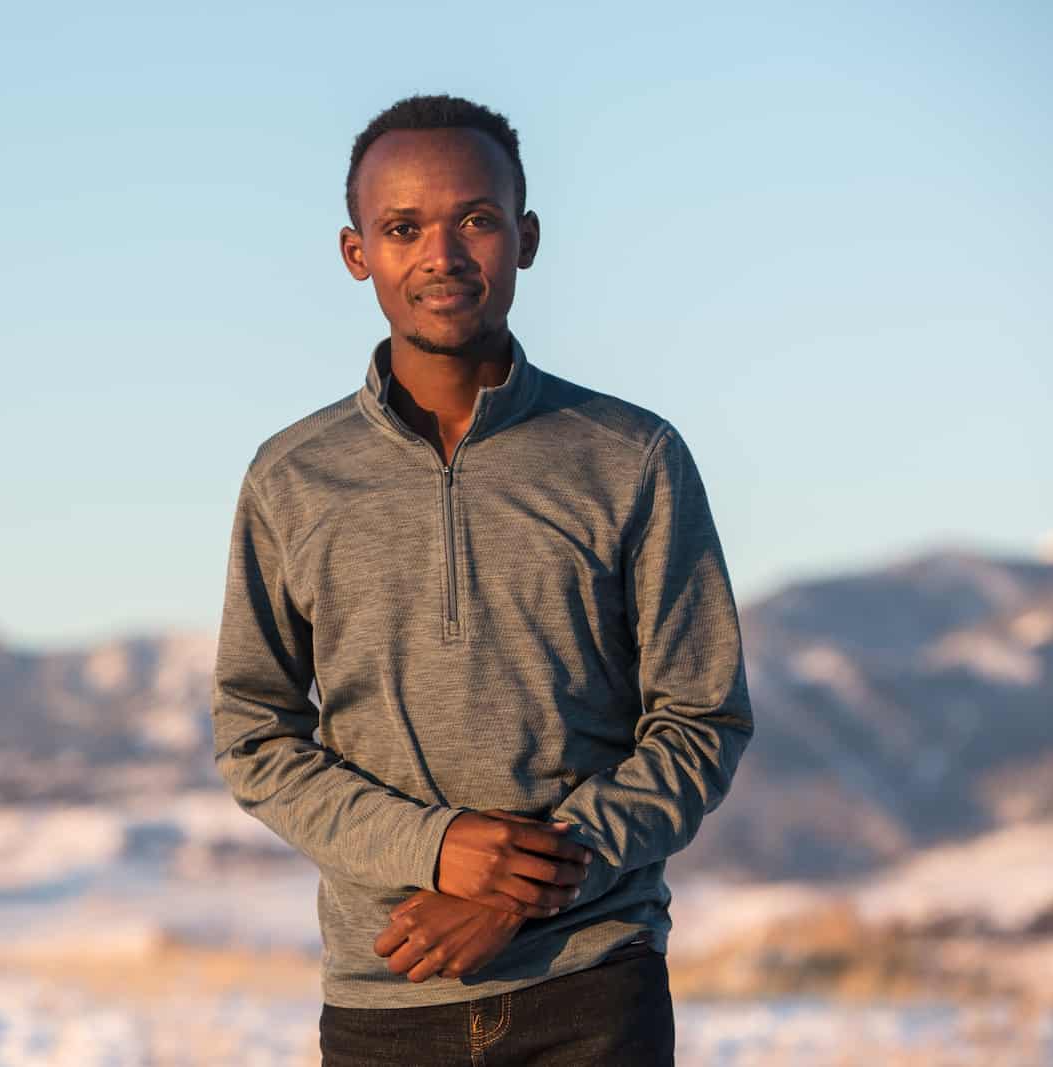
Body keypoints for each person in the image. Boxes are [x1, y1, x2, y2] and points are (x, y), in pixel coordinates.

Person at [210, 93, 754, 1066]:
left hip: (592, 990)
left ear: (525, 236)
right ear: (356, 252)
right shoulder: (291, 478)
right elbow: (255, 735)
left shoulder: (630, 458)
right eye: (403, 227)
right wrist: (438, 846)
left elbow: (698, 722)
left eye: (476, 218)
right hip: (386, 995)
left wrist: (518, 887)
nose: (443, 254)